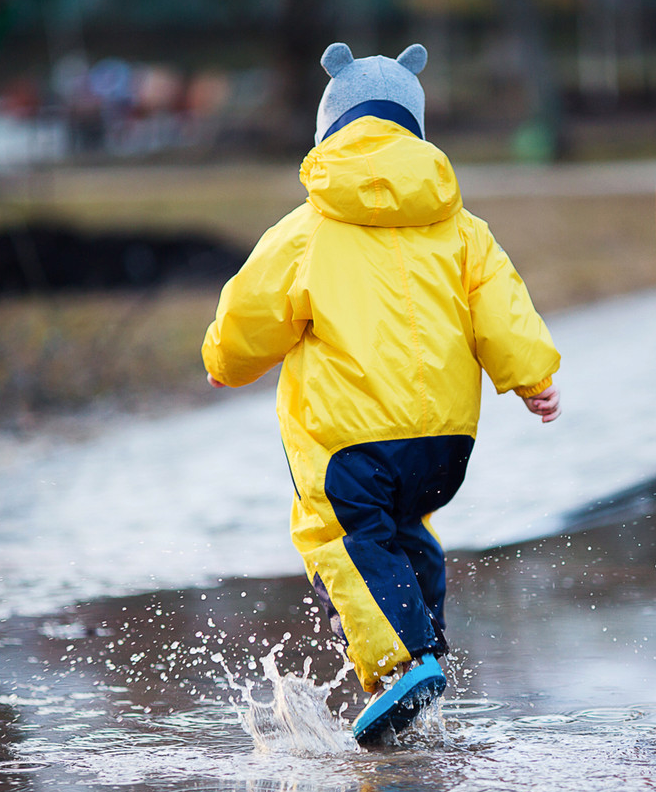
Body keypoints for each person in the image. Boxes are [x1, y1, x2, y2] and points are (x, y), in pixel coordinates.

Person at [201, 41, 561, 744]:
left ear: (329, 127)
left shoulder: (307, 229)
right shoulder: (461, 228)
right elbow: (503, 309)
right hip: (444, 444)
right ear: (413, 129)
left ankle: (400, 662)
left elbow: (250, 312)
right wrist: (531, 378)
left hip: (351, 441)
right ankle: (426, 650)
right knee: (402, 530)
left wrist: (225, 361)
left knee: (338, 532)